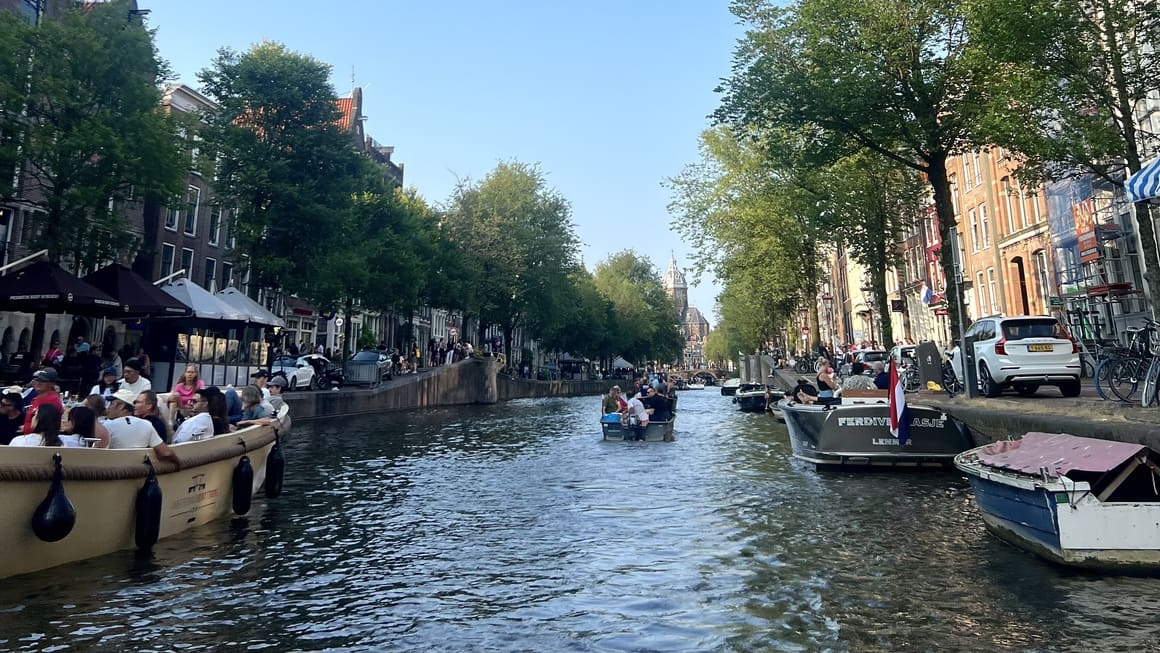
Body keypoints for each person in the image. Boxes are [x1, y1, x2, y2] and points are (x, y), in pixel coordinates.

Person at [103, 389, 178, 462]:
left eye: (112, 404)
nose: (108, 407)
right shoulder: (147, 424)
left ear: (121, 406)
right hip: (139, 469)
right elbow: (166, 453)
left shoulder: (107, 426)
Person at [10, 404, 82, 447]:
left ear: (40, 419)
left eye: (34, 415)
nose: (32, 417)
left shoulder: (19, 441)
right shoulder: (67, 443)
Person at [23, 368, 63, 434]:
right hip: (29, 437)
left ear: (52, 384)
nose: (38, 383)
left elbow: (46, 426)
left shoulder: (52, 400)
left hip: (40, 440)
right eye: (37, 379)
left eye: (43, 381)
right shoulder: (39, 397)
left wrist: (26, 428)